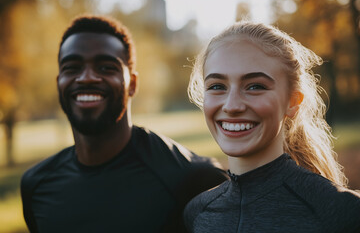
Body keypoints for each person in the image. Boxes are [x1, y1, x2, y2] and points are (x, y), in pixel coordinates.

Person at [20, 15, 227, 233]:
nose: (87, 77)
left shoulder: (194, 178)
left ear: (132, 84)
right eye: (72, 67)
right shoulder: (36, 186)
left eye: (106, 68)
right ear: (59, 82)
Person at [184, 21, 360, 232]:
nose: (232, 106)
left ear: (293, 102)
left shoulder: (345, 212)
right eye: (217, 86)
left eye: (255, 86)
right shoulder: (197, 214)